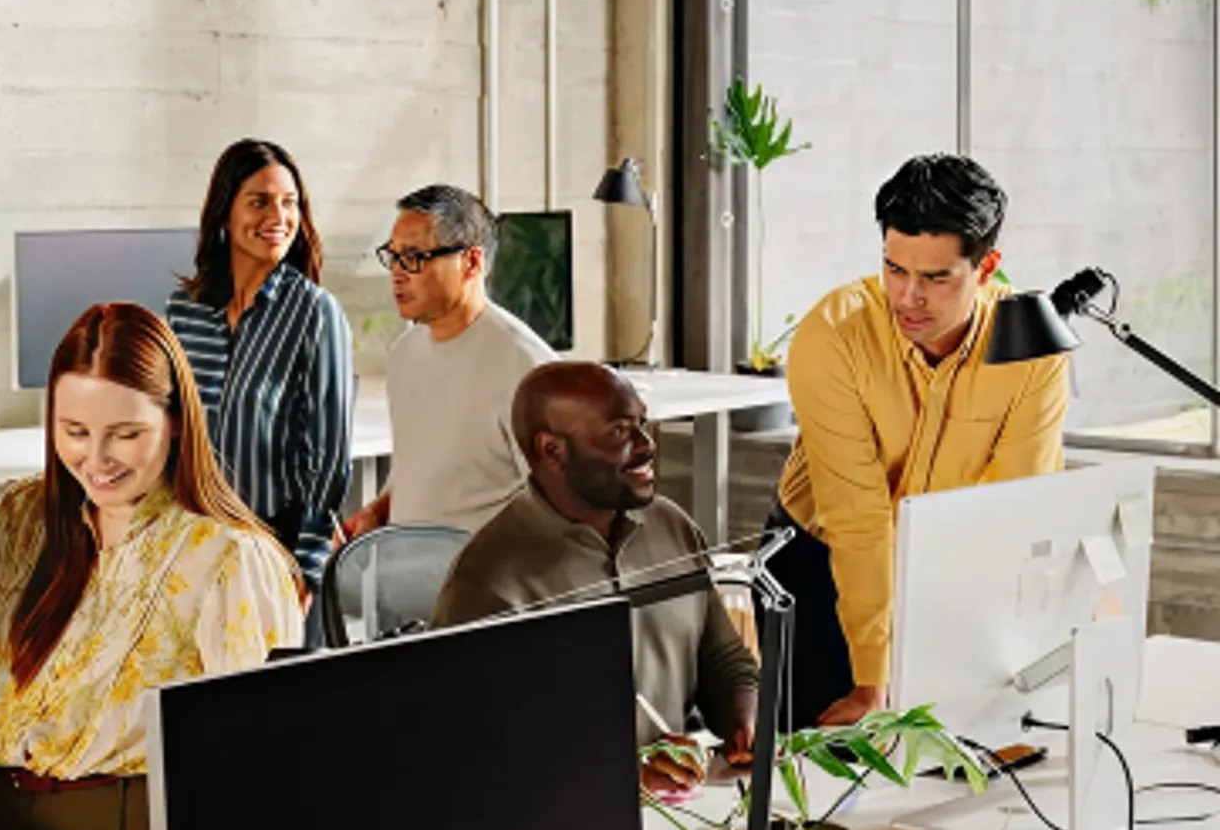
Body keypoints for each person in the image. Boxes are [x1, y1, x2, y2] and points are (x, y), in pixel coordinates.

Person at [0, 302, 303, 830]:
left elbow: (254, 764)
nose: (95, 461)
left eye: (125, 435)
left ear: (175, 421)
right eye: (74, 432)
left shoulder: (229, 559)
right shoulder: (23, 517)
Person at [773, 154, 1071, 729]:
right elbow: (858, 519)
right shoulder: (833, 336)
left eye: (936, 278)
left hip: (948, 562)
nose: (909, 297)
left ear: (987, 268)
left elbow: (1015, 507)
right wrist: (872, 682)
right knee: (815, 772)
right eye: (894, 269)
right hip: (821, 556)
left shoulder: (1030, 345)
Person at [431, 362, 758, 795]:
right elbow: (469, 748)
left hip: (685, 812)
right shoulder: (487, 580)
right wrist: (622, 776)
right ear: (552, 451)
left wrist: (744, 723)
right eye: (620, 433)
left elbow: (723, 661)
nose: (646, 446)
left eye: (642, 423)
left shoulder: (671, 526)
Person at [166, 139, 353, 597]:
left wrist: (305, 570)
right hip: (192, 546)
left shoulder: (315, 314)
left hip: (275, 551)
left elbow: (328, 463)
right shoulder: (183, 311)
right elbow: (168, 432)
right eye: (259, 202)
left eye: (289, 204)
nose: (278, 217)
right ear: (224, 213)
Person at [342, 184, 555, 540]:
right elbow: (421, 473)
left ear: (471, 262)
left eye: (413, 257)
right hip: (407, 583)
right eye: (393, 256)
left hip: (484, 587)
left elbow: (554, 510)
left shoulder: (529, 370)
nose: (397, 272)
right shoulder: (404, 354)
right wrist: (378, 512)